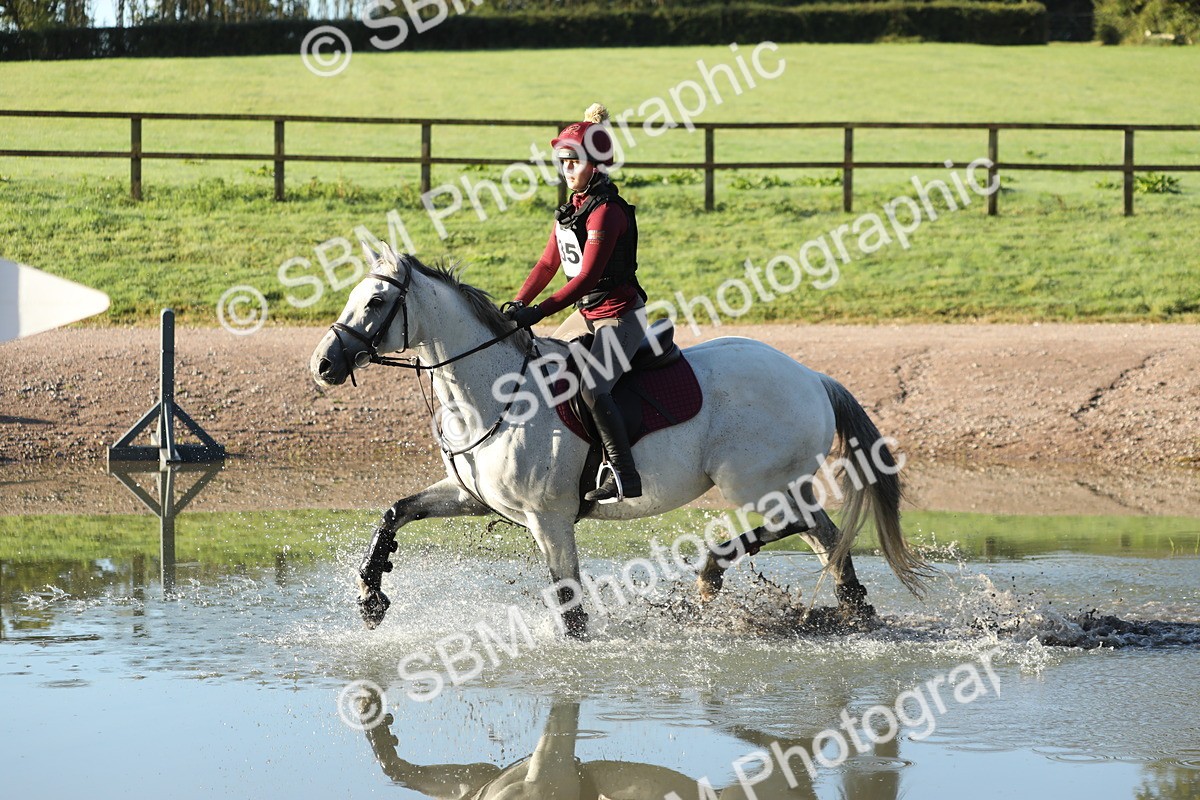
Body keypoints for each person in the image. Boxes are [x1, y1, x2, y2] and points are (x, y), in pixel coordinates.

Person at [504, 103, 647, 504]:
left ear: (595, 165)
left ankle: (623, 473)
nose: (567, 168)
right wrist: (518, 302)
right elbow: (548, 264)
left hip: (619, 317)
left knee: (593, 387)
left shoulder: (606, 212)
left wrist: (538, 312)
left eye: (575, 161)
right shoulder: (573, 209)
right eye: (563, 161)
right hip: (585, 314)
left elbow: (586, 278)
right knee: (538, 367)